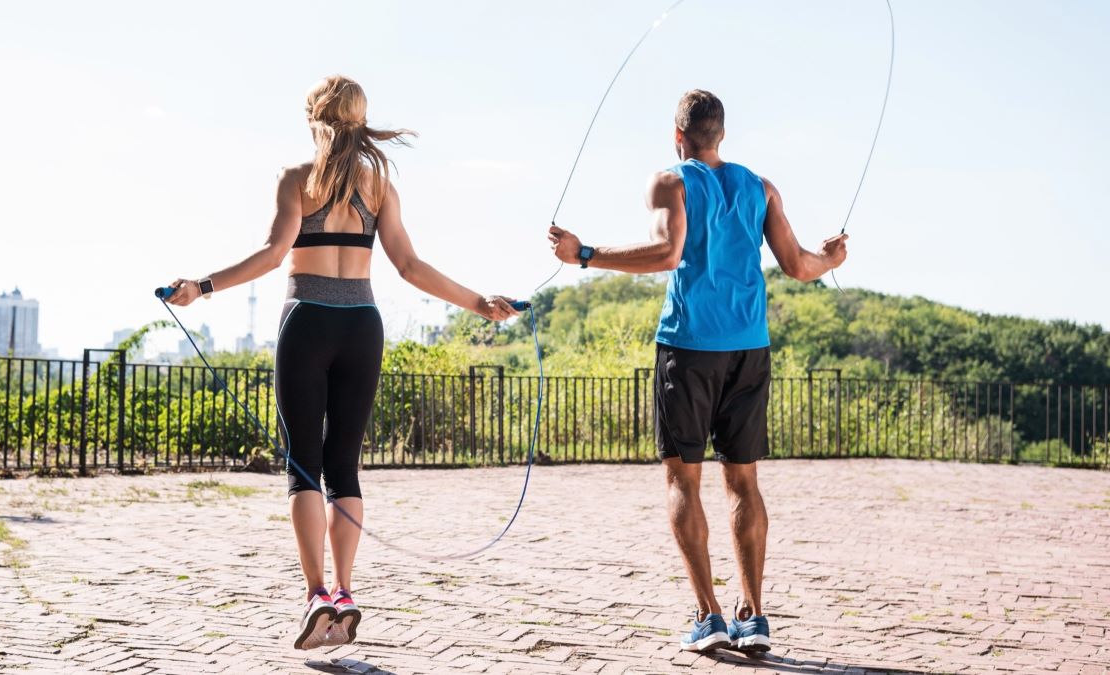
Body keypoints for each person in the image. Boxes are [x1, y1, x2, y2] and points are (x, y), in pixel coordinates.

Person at [164, 75, 519, 650]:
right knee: (344, 467)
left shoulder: (297, 179)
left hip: (306, 318)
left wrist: (201, 286)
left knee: (304, 466)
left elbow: (273, 254)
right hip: (362, 326)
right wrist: (478, 303)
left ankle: (316, 596)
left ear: (314, 120)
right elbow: (409, 265)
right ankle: (347, 593)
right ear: (359, 120)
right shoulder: (378, 186)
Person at [547, 89, 847, 653]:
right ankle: (754, 616)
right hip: (749, 349)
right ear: (723, 135)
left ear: (678, 135)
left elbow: (666, 252)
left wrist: (583, 253)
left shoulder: (671, 180)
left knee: (684, 479)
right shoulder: (761, 188)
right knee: (744, 480)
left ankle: (709, 615)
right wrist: (832, 258)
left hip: (689, 348)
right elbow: (800, 266)